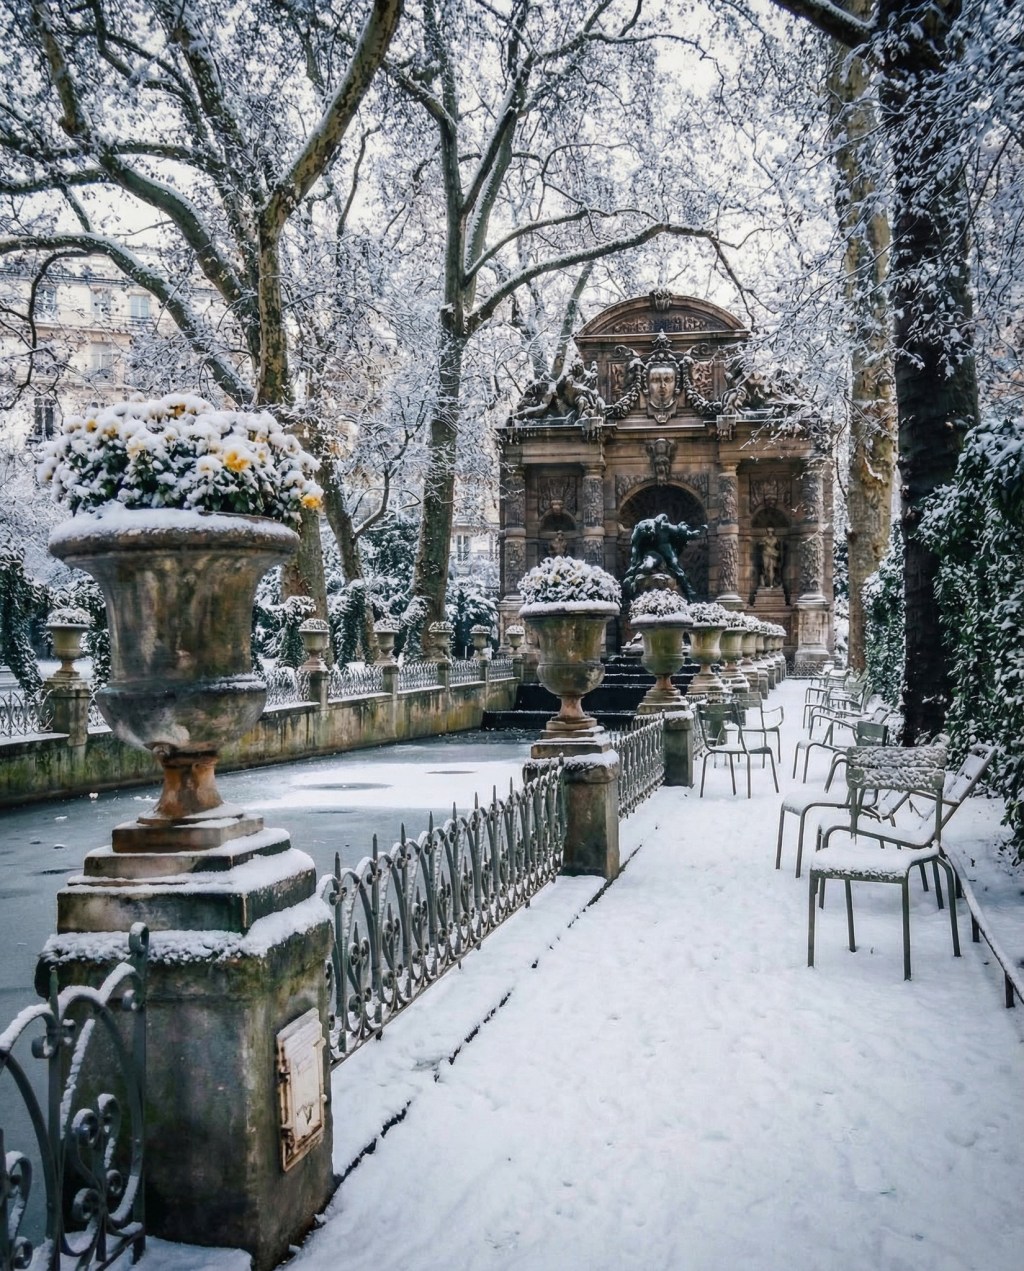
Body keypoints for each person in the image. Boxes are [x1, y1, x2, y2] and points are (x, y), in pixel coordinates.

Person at [623, 514, 705, 600]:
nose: (651, 533)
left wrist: (692, 534)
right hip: (650, 553)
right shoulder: (640, 527)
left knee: (676, 566)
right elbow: (635, 546)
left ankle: (689, 594)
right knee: (647, 566)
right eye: (647, 532)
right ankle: (633, 588)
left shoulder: (664, 526)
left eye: (651, 531)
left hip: (665, 548)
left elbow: (679, 531)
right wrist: (634, 565)